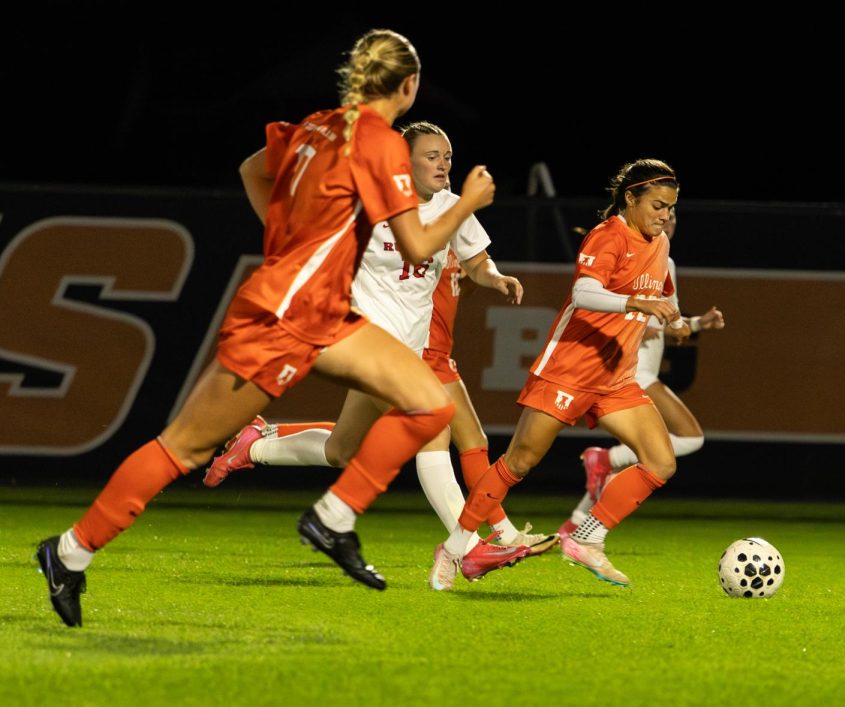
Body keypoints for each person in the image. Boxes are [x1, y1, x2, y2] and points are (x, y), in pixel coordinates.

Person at [34, 29, 499, 628]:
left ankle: (332, 518)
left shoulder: (317, 125)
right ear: (408, 87)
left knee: (428, 402)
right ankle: (68, 552)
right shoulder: (381, 144)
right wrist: (468, 204)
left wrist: (287, 240)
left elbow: (252, 170)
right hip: (282, 318)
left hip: (327, 314)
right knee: (185, 447)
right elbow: (418, 241)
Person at [203, 121, 555, 556]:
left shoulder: (452, 206)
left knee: (341, 449)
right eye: (432, 156)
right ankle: (467, 549)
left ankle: (254, 447)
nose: (444, 164)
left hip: (410, 346)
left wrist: (496, 278)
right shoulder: (367, 201)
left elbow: (477, 261)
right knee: (433, 431)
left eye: (447, 156)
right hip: (367, 342)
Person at [428, 158, 689, 591]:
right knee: (519, 462)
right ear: (630, 198)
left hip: (616, 377)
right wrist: (635, 305)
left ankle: (589, 537)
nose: (665, 216)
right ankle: (454, 550)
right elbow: (585, 292)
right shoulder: (609, 236)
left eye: (671, 208)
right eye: (658, 205)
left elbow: (658, 292)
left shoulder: (659, 244)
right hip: (568, 370)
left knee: (661, 461)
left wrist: (677, 321)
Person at [562, 209, 725, 535]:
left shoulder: (666, 261)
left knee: (647, 456)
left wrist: (696, 324)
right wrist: (638, 318)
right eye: (661, 209)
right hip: (630, 371)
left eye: (674, 214)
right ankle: (604, 460)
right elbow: (610, 307)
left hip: (640, 371)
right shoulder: (628, 253)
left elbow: (665, 323)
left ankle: (577, 525)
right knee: (688, 438)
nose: (668, 219)